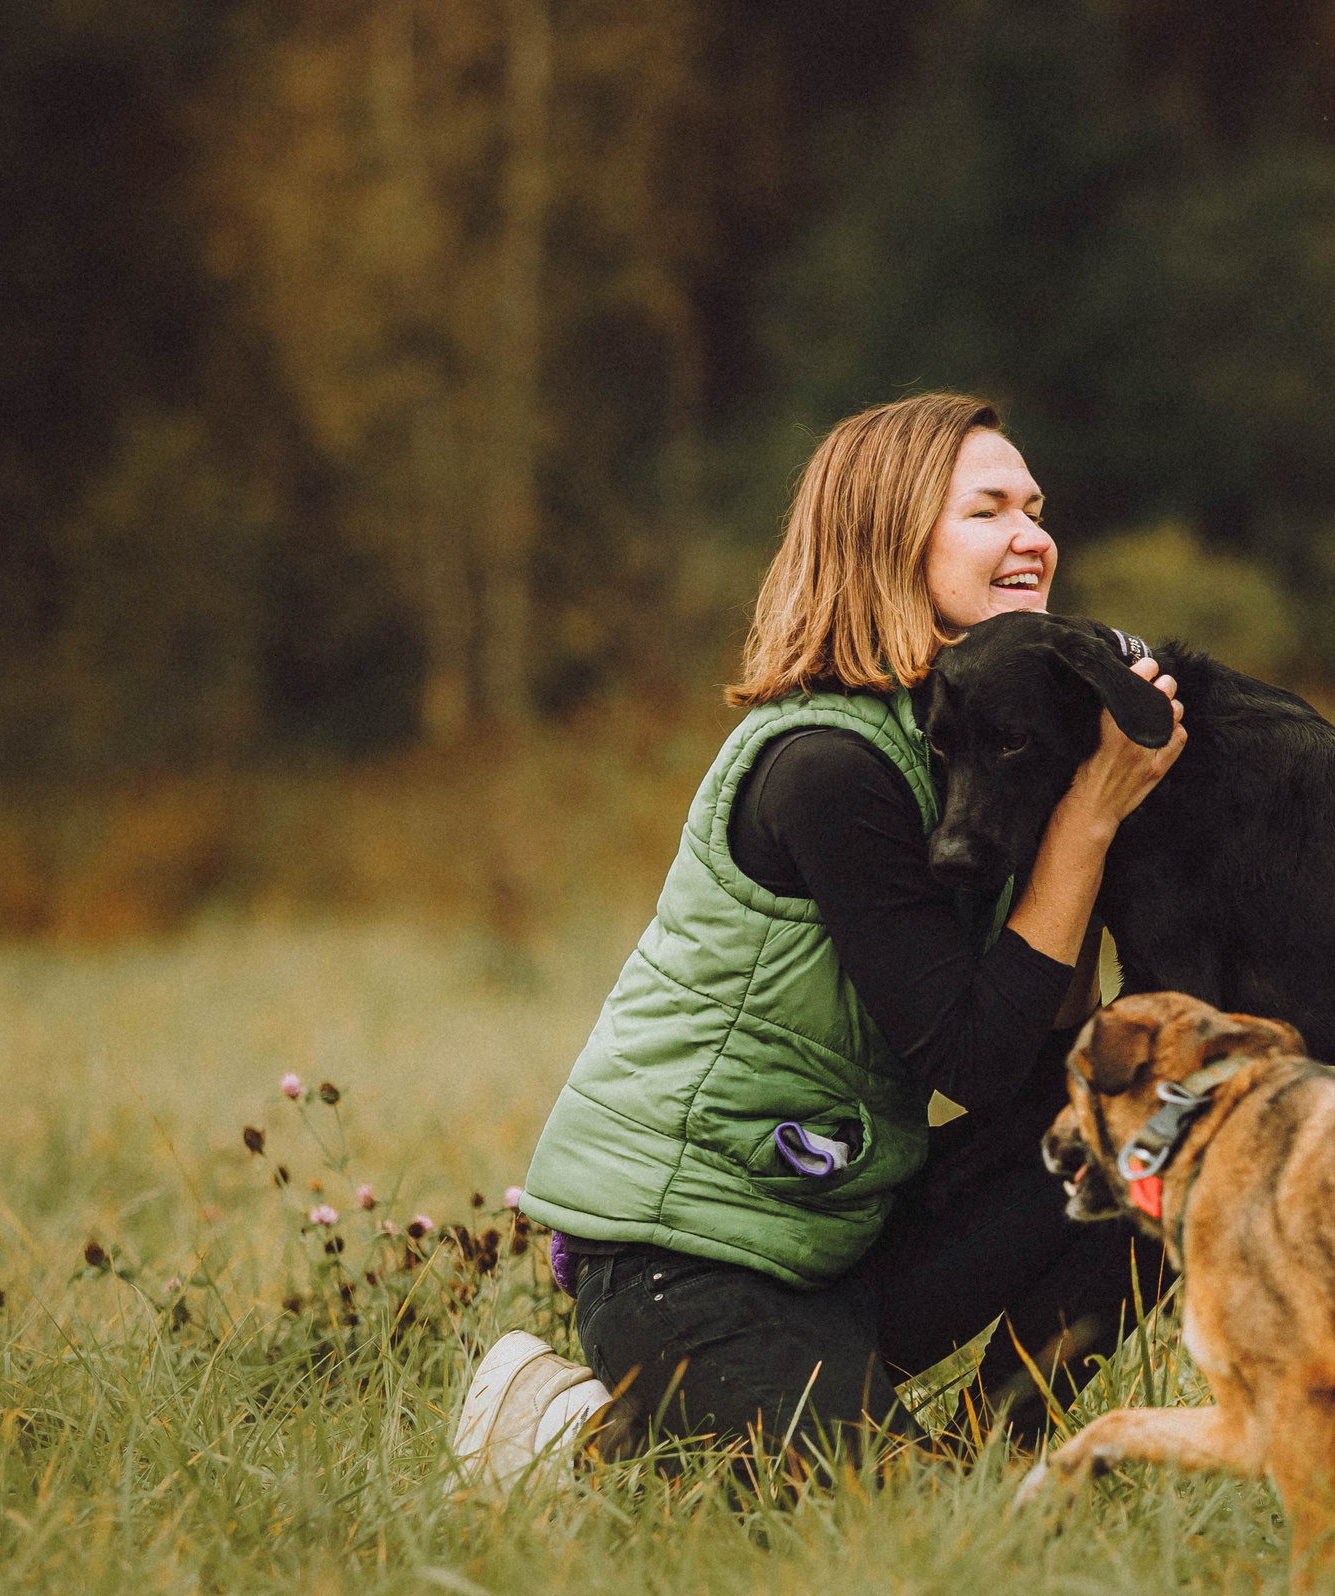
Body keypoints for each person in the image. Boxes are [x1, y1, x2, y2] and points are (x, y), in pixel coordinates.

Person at [452, 393, 1184, 1483]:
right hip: (685, 1258)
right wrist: (1088, 820)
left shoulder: (966, 748)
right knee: (879, 1521)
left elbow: (1044, 1047)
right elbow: (974, 1058)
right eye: (988, 510)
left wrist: (1080, 798)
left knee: (1158, 1131)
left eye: (1035, 509)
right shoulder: (828, 768)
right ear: (889, 537)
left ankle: (998, 1461)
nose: (1033, 536)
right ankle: (570, 1432)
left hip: (837, 1230)